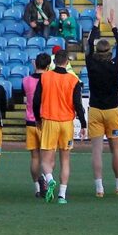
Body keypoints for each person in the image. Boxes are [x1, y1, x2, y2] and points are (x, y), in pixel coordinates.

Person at [34, 48, 87, 204]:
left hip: (50, 120)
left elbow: (36, 101)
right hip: (66, 123)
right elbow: (78, 104)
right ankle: (62, 195)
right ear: (68, 62)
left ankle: (49, 178)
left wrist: (37, 118)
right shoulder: (74, 80)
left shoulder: (45, 77)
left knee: (45, 159)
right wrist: (83, 123)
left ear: (53, 62)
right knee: (65, 160)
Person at [85, 14, 118, 198]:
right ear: (109, 51)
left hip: (94, 109)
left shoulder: (91, 64)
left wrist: (96, 23)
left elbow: (87, 44)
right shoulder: (115, 65)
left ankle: (99, 187)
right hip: (112, 110)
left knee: (96, 150)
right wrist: (113, 26)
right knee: (115, 150)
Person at [23, 53, 50, 196]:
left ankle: (37, 187)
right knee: (47, 156)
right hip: (45, 120)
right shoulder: (49, 80)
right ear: (48, 66)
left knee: (34, 157)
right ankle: (46, 180)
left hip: (30, 121)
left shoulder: (26, 80)